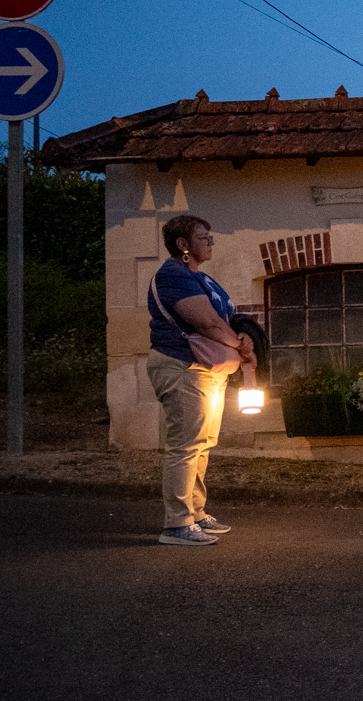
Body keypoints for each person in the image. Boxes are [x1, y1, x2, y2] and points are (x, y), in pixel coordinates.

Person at [146, 215, 256, 546]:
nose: (210, 242)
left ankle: (194, 513)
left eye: (210, 236)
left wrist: (243, 337)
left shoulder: (199, 277)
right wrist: (241, 346)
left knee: (203, 443)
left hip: (205, 369)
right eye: (203, 237)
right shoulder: (172, 276)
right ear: (183, 245)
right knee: (185, 445)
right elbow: (207, 322)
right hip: (182, 367)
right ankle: (177, 524)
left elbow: (224, 316)